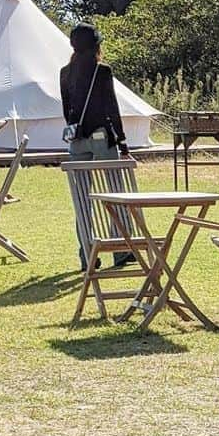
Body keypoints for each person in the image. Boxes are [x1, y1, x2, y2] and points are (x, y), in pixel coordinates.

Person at [60, 23, 134, 268]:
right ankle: (121, 250)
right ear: (96, 46)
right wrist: (122, 140)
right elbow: (111, 107)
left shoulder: (65, 73)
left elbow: (66, 110)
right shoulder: (102, 71)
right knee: (115, 193)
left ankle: (87, 254)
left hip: (77, 139)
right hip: (101, 135)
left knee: (82, 198)